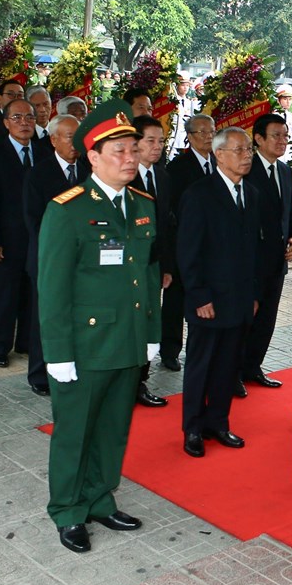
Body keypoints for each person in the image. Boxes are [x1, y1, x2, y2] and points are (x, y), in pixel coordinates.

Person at [38, 99, 158, 554]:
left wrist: (150, 335)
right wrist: (58, 354)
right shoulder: (67, 210)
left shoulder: (144, 205)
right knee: (75, 431)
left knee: (112, 428)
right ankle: (68, 510)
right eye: (119, 152)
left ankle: (99, 498)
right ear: (92, 157)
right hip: (85, 345)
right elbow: (52, 289)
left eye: (133, 150)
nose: (130, 159)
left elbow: (147, 275)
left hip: (126, 338)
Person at [178, 126, 262, 457]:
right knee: (201, 365)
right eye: (239, 150)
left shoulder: (251, 194)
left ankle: (219, 422)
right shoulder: (199, 194)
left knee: (228, 365)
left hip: (239, 300)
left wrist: (254, 294)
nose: (247, 156)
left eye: (249, 151)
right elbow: (189, 251)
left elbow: (253, 250)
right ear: (219, 155)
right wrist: (200, 296)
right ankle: (193, 428)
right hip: (209, 300)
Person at [0, 97, 51, 368]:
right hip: (6, 239)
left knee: (32, 294)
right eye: (17, 118)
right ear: (6, 123)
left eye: (30, 118)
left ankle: (25, 342)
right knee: (4, 294)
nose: (25, 123)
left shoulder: (45, 153)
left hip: (38, 239)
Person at [22, 114, 83, 396]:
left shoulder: (89, 170)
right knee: (44, 317)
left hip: (83, 261)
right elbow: (34, 221)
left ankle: (73, 369)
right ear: (53, 139)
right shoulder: (39, 173)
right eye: (70, 136)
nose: (76, 143)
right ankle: (39, 374)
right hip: (49, 259)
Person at [241, 113, 292, 391]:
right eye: (276, 135)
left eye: (285, 135)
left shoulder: (285, 171)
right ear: (259, 138)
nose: (282, 141)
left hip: (278, 261)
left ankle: (254, 367)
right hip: (250, 261)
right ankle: (233, 373)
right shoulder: (245, 169)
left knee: (266, 320)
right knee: (244, 320)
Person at [162, 113, 218, 371]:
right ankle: (170, 350)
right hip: (184, 243)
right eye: (202, 133)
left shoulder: (220, 162)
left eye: (211, 132)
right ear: (190, 137)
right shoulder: (177, 167)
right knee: (176, 299)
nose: (208, 137)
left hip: (213, 245)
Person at [127, 115, 174, 408]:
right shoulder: (124, 175)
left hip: (153, 265)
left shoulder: (163, 176)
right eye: (150, 141)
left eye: (161, 141)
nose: (157, 147)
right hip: (126, 266)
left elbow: (167, 225)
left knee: (147, 322)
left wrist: (167, 265)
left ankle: (139, 381)